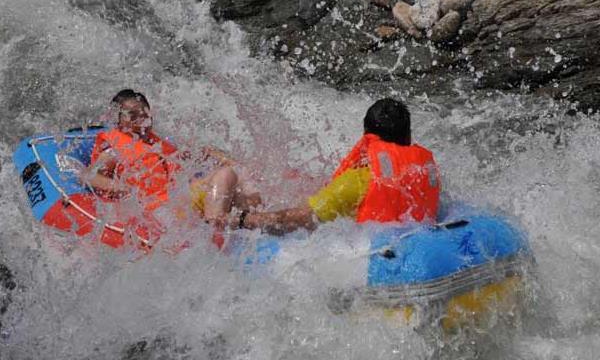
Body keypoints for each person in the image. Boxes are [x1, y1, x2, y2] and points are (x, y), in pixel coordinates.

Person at [223, 98, 441, 234]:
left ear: (367, 137)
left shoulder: (356, 182)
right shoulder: (425, 171)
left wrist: (241, 220)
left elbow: (297, 219)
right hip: (419, 247)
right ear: (408, 136)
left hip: (373, 260)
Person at [82, 89, 260, 247]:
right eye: (132, 115)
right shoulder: (115, 147)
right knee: (225, 175)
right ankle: (216, 230)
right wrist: (127, 189)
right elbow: (88, 176)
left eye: (144, 113)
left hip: (179, 202)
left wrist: (228, 160)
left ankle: (257, 221)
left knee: (239, 174)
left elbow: (197, 154)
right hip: (161, 210)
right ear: (119, 119)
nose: (141, 119)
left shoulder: (155, 143)